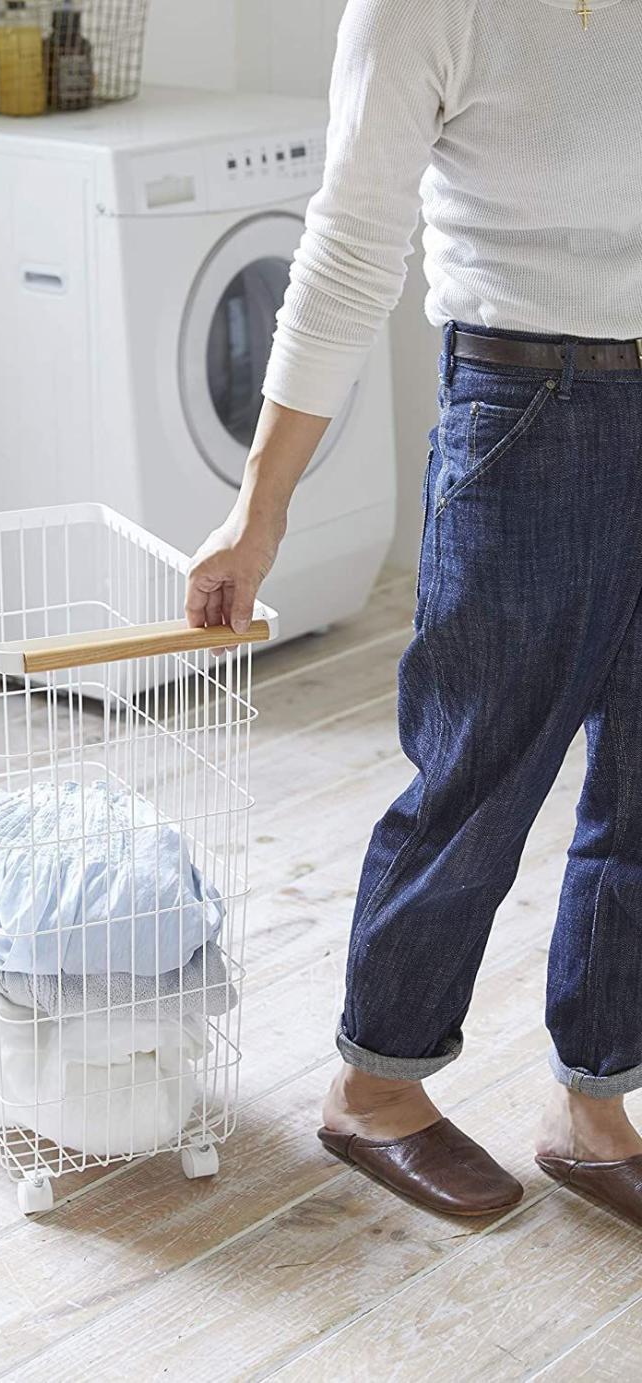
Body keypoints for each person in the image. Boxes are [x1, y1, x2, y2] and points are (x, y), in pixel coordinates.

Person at [185, 0, 642, 1224]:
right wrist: (260, 507)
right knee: (477, 779)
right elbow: (349, 249)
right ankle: (376, 1088)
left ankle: (594, 1105)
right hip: (527, 413)